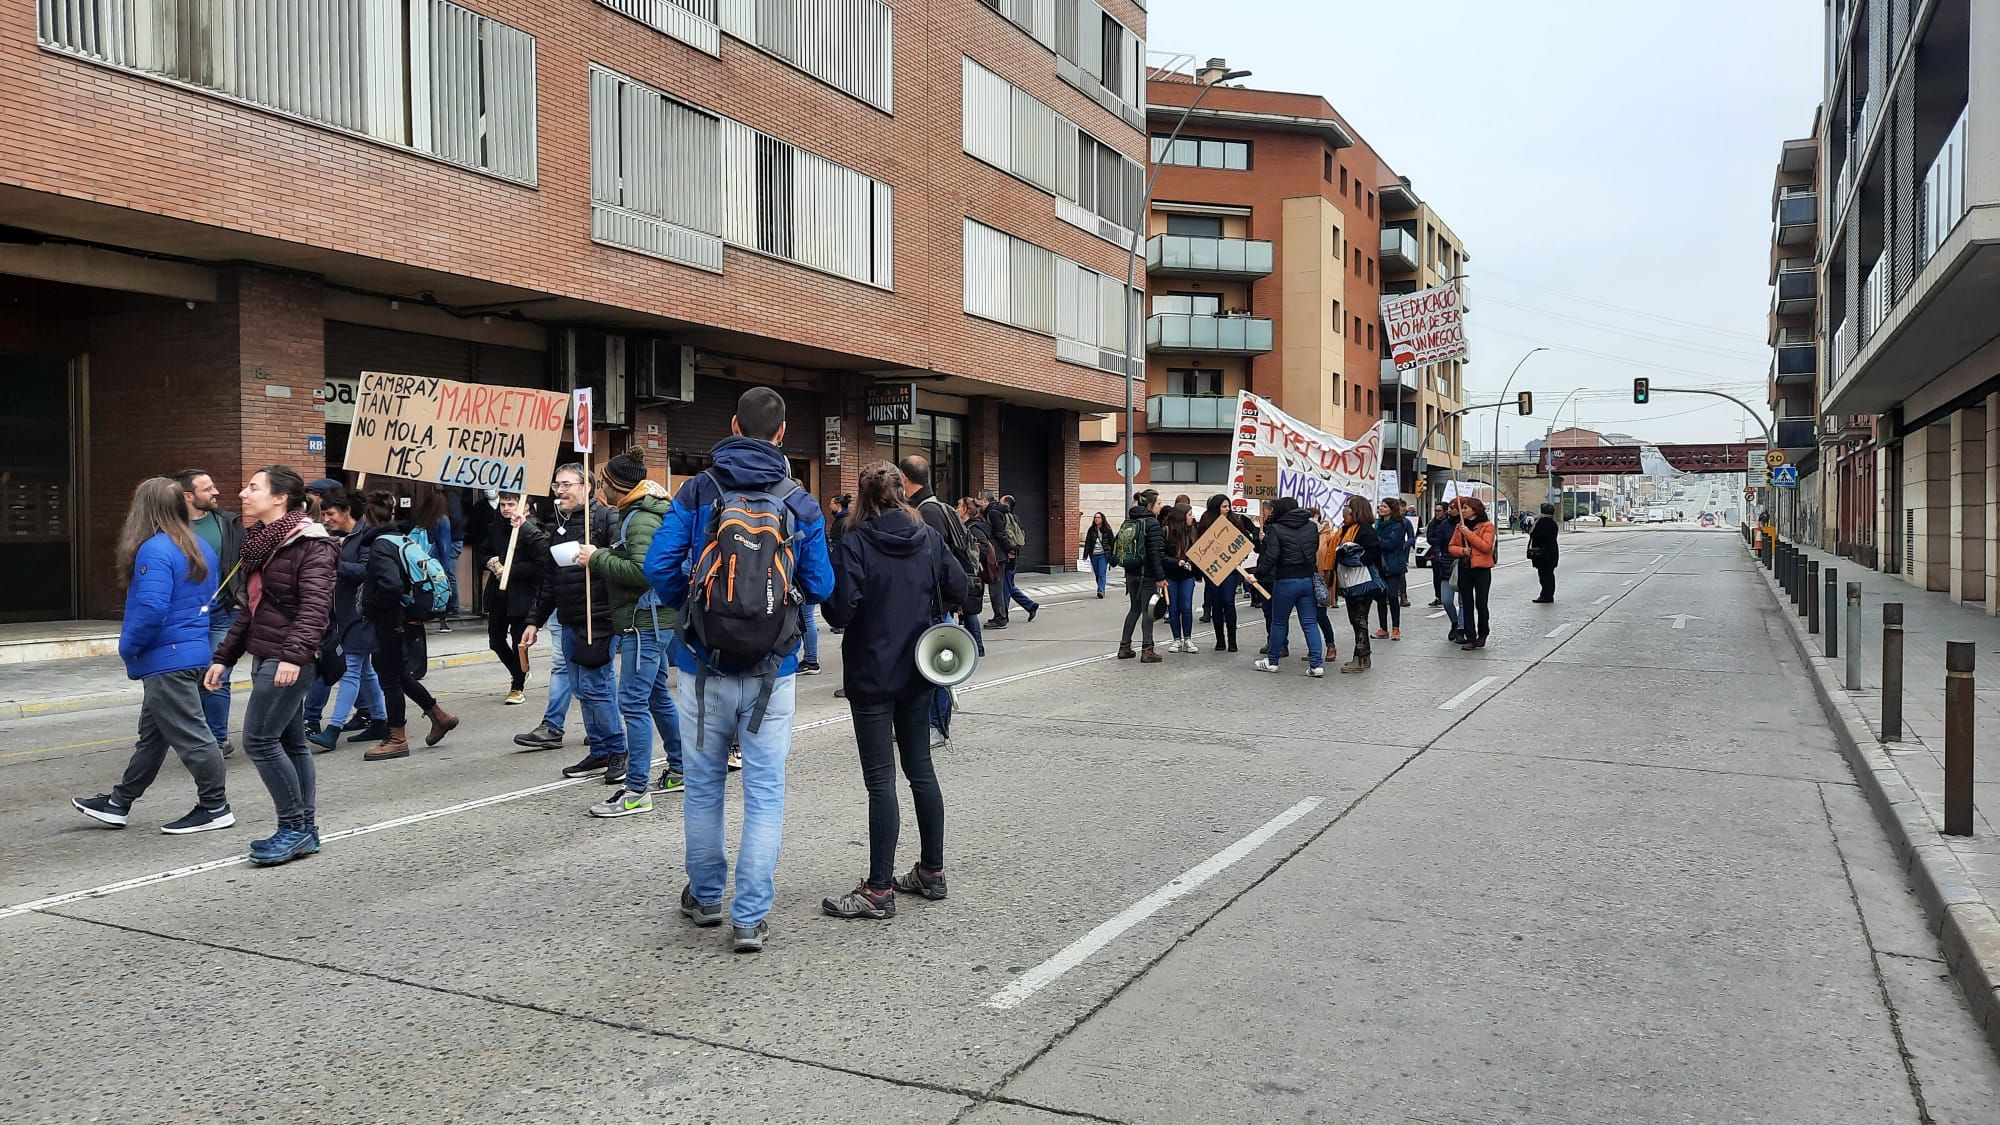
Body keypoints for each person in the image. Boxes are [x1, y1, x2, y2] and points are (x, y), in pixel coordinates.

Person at [645, 386, 835, 954]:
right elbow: (822, 586)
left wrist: (697, 606)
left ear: (732, 425)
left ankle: (705, 897)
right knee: (765, 790)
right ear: (782, 434)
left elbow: (658, 565)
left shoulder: (699, 489)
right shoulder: (799, 500)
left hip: (700, 665)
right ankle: (749, 917)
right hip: (771, 670)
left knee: (703, 785)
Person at [819, 463, 968, 920]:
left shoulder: (856, 541)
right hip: (920, 669)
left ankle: (879, 888)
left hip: (870, 673)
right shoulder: (927, 536)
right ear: (903, 494)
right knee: (920, 769)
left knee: (880, 780)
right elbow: (961, 588)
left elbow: (841, 612)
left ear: (863, 500)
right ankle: (931, 871)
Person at [72, 478, 234, 834]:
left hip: (167, 659)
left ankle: (215, 806)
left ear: (144, 508)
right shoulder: (199, 546)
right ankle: (119, 803)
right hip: (190, 652)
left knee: (193, 736)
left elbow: (151, 608)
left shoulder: (155, 549)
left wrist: (128, 647)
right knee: (154, 736)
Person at [203, 466, 337, 865]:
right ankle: (304, 829)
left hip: (288, 657)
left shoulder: (310, 543)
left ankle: (293, 827)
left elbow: (316, 608)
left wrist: (294, 656)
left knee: (259, 741)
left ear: (279, 498)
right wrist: (223, 657)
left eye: (253, 488)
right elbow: (253, 609)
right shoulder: (264, 543)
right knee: (291, 742)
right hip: (269, 652)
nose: (243, 494)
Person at [580, 447, 683, 815]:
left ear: (616, 486)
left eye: (601, 483)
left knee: (633, 703)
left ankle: (636, 791)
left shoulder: (638, 520)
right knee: (656, 696)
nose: (597, 490)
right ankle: (679, 768)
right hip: (652, 619)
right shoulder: (639, 513)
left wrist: (596, 557)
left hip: (644, 623)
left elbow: (643, 572)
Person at [520, 464, 622, 780]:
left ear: (587, 486)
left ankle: (618, 750)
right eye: (556, 485)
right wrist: (534, 620)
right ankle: (601, 751)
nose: (560, 491)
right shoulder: (559, 527)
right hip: (568, 618)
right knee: (580, 687)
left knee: (597, 684)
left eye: (567, 485)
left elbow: (624, 565)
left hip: (598, 617)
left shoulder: (606, 520)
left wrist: (598, 558)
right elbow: (550, 579)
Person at [355, 490, 461, 762]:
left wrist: (370, 606)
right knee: (400, 675)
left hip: (390, 621)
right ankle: (440, 717)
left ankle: (396, 737)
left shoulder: (380, 546)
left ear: (367, 517)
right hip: (403, 619)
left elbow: (390, 585)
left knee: (389, 680)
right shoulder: (397, 539)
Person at [899, 455, 978, 746]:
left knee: (936, 669)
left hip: (934, 606)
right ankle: (927, 724)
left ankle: (937, 727)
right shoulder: (935, 506)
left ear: (905, 480)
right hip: (937, 604)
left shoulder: (926, 512)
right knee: (929, 667)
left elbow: (936, 564)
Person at [305, 490, 389, 752]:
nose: (327, 519)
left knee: (351, 669)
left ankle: (333, 729)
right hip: (342, 616)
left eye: (331, 514)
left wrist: (334, 562)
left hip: (360, 614)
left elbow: (367, 572)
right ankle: (380, 720)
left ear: (346, 512)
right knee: (365, 672)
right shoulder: (337, 538)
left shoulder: (366, 536)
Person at [176, 469, 244, 758]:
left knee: (217, 675)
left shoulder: (228, 523)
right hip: (184, 615)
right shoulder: (168, 527)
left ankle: (216, 739)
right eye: (208, 489)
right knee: (183, 677)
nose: (216, 492)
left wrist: (241, 595)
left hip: (222, 612)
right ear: (188, 496)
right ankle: (193, 734)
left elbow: (245, 559)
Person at [477, 491, 549, 706]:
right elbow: (482, 554)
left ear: (525, 506)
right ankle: (520, 671)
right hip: (499, 593)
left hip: (523, 594)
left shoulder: (535, 530)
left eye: (511, 504)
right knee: (496, 640)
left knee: (519, 642)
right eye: (503, 504)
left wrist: (511, 570)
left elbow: (541, 564)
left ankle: (517, 685)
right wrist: (491, 563)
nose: (506, 509)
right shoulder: (495, 528)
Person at [1254, 497, 1325, 676]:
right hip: (1307, 579)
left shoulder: (1276, 528)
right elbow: (1314, 548)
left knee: (1278, 622)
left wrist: (1257, 575)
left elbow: (1272, 556)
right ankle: (1316, 665)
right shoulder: (1311, 527)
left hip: (1285, 580)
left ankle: (1272, 661)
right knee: (1309, 622)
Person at [1331, 496, 1381, 674]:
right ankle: (1363, 656)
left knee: (1359, 619)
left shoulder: (1365, 530)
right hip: (1349, 581)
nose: (1346, 512)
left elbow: (1374, 550)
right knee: (1356, 619)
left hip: (1361, 582)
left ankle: (1360, 657)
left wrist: (1356, 560)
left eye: (1349, 508)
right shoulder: (1346, 529)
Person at [1194, 495, 1251, 652]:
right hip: (1213, 569)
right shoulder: (1206, 522)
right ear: (1216, 507)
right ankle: (1220, 639)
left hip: (1231, 569)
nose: (1227, 509)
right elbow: (1200, 545)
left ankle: (1232, 640)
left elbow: (1244, 542)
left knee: (1228, 601)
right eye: (1224, 506)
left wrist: (1239, 558)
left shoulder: (1235, 521)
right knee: (1216, 603)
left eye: (1228, 506)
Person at [1116, 490, 1167, 663]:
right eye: (1159, 503)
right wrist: (1160, 577)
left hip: (1131, 572)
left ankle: (1124, 647)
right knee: (1148, 612)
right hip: (1147, 574)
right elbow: (1155, 553)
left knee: (1134, 609)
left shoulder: (1129, 520)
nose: (1161, 506)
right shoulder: (1152, 523)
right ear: (1150, 505)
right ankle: (1147, 650)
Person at [1449, 496, 1498, 650]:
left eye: (1465, 508)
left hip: (1482, 569)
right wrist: (1462, 550)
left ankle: (1483, 633)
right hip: (1465, 568)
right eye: (1462, 508)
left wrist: (1468, 534)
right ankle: (1470, 636)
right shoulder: (1460, 527)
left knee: (1481, 603)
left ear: (1474, 510)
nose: (1462, 511)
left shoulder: (1487, 526)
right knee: (1467, 603)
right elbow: (1451, 547)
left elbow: (1485, 547)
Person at [984, 494, 1037, 627]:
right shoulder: (1015, 517)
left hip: (1008, 555)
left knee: (1005, 587)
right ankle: (1030, 605)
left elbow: (1003, 536)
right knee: (1009, 585)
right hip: (1012, 554)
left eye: (1000, 502)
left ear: (1005, 504)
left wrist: (1008, 550)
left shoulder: (1004, 517)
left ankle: (1004, 615)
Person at [958, 496, 995, 658]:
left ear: (966, 510)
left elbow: (983, 549)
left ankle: (977, 646)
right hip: (972, 575)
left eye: (959, 506)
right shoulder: (973, 526)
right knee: (967, 612)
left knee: (969, 612)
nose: (956, 509)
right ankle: (973, 645)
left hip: (971, 575)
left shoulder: (972, 528)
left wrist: (970, 556)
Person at [1160, 504, 1199, 653]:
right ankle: (1176, 639)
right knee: (1173, 608)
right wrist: (1177, 562)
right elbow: (1161, 555)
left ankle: (1188, 638)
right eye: (1189, 515)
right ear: (1182, 517)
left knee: (1186, 606)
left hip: (1187, 575)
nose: (1192, 517)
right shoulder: (1166, 531)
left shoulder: (1193, 531)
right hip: (1171, 574)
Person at [1373, 499, 1412, 641]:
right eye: (1380, 506)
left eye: (1384, 506)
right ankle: (1383, 628)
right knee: (1380, 597)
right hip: (1379, 564)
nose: (1381, 508)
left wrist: (1375, 539)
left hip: (1393, 565)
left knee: (1392, 596)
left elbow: (1391, 544)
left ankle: (1396, 627)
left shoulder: (1398, 524)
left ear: (1391, 509)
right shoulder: (1377, 524)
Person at [1425, 504, 1456, 609]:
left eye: (1439, 511)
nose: (1437, 513)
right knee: (1437, 576)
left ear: (1445, 511)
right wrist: (1438, 542)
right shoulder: (1433, 523)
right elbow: (1430, 538)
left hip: (1451, 554)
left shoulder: (1449, 523)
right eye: (1436, 511)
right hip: (1437, 554)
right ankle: (1439, 596)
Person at [1529, 502, 1561, 603]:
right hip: (1552, 552)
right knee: (1549, 574)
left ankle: (1546, 595)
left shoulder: (1541, 522)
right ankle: (1548, 594)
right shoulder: (1553, 523)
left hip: (1542, 554)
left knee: (1544, 575)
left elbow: (1534, 534)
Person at [1080, 512, 1113, 598]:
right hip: (1094, 555)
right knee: (1097, 574)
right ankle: (1101, 587)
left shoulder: (1107, 530)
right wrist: (1085, 555)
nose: (1096, 519)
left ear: (1102, 519)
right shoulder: (1091, 530)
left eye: (1098, 517)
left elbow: (1112, 543)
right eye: (1095, 517)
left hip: (1103, 554)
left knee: (1102, 572)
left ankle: (1101, 590)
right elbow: (1087, 543)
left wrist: (1112, 554)